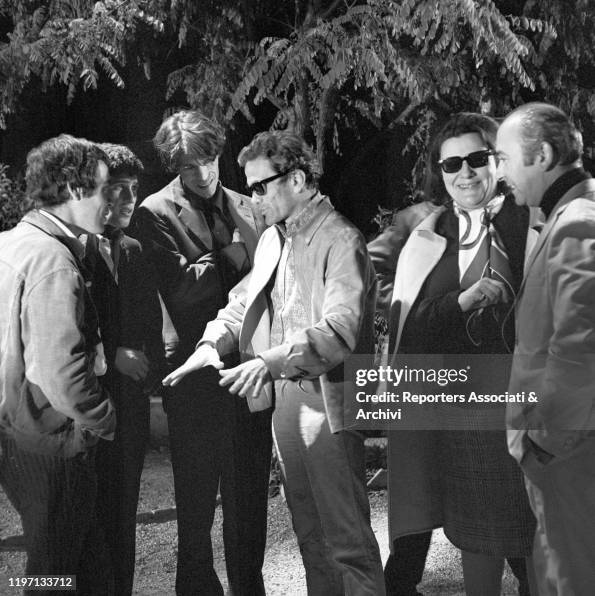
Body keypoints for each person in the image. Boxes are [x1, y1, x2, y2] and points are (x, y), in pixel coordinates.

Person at [164, 130, 386, 595]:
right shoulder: (273, 239)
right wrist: (211, 344)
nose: (255, 197)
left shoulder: (341, 239)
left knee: (346, 538)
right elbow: (242, 302)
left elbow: (340, 329)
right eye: (250, 186)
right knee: (309, 533)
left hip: (328, 400)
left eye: (261, 186)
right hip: (286, 397)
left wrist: (269, 361)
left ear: (299, 179)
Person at [372, 113, 537, 596]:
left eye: (477, 159)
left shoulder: (532, 218)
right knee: (464, 526)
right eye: (451, 164)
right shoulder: (424, 228)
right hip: (448, 402)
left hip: (520, 400)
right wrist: (458, 303)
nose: (464, 173)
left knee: (529, 533)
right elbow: (394, 305)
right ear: (438, 172)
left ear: (498, 161)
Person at [134, 110, 271, 595]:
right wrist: (235, 257)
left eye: (209, 160)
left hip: (251, 368)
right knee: (195, 505)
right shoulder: (153, 211)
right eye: (191, 167)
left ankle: (247, 588)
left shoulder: (249, 205)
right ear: (175, 166)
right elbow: (179, 290)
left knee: (249, 499)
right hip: (193, 377)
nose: (204, 173)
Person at [0, 135, 116, 594]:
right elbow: (61, 374)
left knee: (82, 572)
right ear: (72, 188)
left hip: (17, 437)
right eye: (105, 190)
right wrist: (104, 418)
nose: (111, 203)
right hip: (54, 443)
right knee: (52, 576)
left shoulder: (11, 244)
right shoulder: (54, 260)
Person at [498, 102, 595, 595]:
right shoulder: (563, 215)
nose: (499, 175)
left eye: (505, 159)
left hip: (570, 456)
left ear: (546, 155)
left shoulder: (580, 220)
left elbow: (582, 347)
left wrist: (544, 444)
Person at [84, 143, 164, 595]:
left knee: (124, 520)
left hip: (130, 409)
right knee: (83, 527)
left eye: (134, 189)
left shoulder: (133, 249)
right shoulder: (70, 248)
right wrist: (115, 354)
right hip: (86, 409)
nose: (130, 199)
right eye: (118, 189)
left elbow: (149, 322)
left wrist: (149, 368)